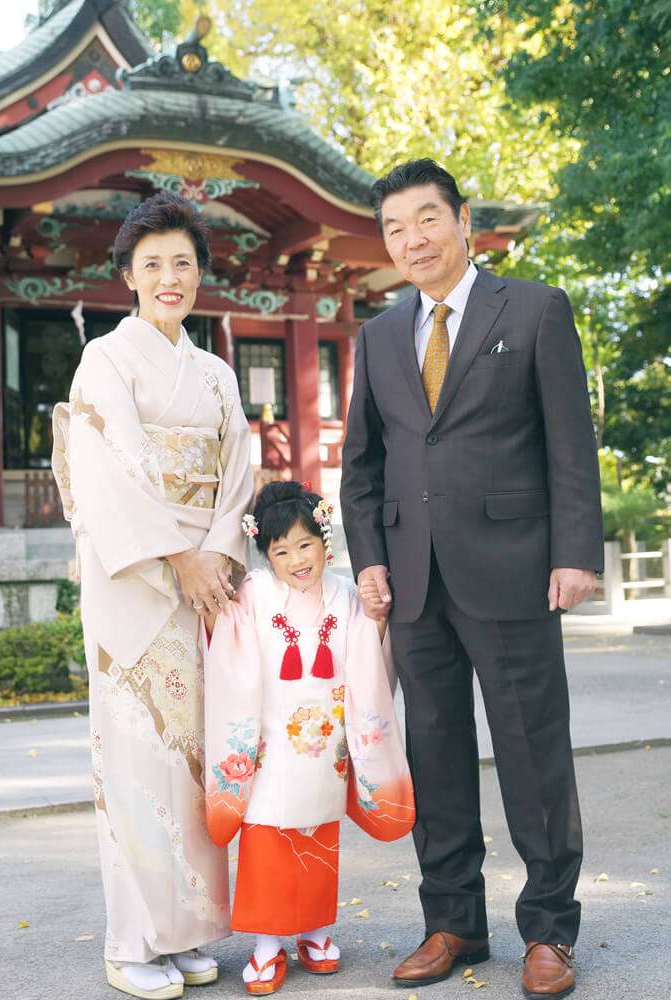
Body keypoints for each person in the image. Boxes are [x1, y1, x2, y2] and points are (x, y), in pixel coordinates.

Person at [340, 159, 604, 999]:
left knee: (534, 754)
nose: (411, 240)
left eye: (426, 220)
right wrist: (370, 560)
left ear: (462, 222)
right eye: (393, 228)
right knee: (437, 754)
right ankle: (452, 922)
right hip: (414, 580)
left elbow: (570, 443)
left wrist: (576, 554)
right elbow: (362, 467)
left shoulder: (531, 308)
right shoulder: (379, 336)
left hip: (516, 571)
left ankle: (550, 931)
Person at [51, 191, 254, 1000]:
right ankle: (131, 938)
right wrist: (179, 555)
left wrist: (215, 557)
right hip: (137, 586)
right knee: (137, 757)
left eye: (183, 263)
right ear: (128, 278)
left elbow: (235, 480)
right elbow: (107, 472)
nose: (170, 278)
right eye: (152, 265)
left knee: (196, 761)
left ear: (199, 274)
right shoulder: (107, 357)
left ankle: (188, 931)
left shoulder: (214, 373)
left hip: (202, 584)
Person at [201, 481, 415, 995]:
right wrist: (216, 609)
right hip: (270, 739)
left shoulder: (344, 592)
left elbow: (366, 654)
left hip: (326, 744)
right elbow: (228, 648)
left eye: (305, 545)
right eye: (281, 551)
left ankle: (316, 932)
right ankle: (267, 945)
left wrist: (378, 618)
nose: (297, 560)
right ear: (265, 555)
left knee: (319, 831)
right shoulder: (253, 594)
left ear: (325, 542)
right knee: (268, 834)